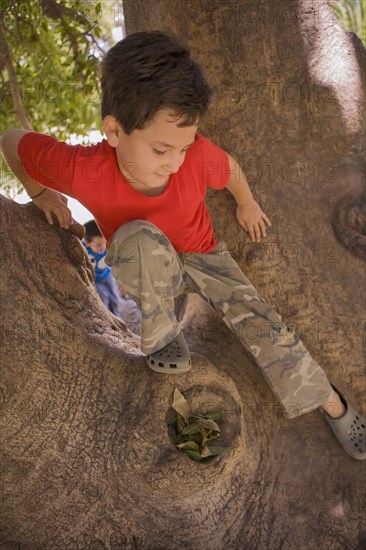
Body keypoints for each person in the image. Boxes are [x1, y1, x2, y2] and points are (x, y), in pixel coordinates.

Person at [1, 31, 364, 460]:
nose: (175, 163)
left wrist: (246, 204)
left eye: (184, 147)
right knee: (137, 239)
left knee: (266, 325)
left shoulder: (194, 157)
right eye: (160, 149)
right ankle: (161, 336)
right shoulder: (85, 170)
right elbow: (11, 140)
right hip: (148, 264)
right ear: (114, 130)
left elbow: (229, 169)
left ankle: (331, 403)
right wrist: (41, 193)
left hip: (205, 257)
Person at [82, 219, 142, 335]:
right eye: (98, 245)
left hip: (107, 276)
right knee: (102, 297)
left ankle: (116, 317)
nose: (101, 248)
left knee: (114, 296)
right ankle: (103, 322)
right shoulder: (84, 250)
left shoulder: (108, 248)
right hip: (94, 279)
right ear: (88, 243)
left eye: (103, 243)